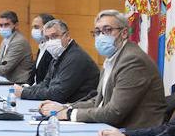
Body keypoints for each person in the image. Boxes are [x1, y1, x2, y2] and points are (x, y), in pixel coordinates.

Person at [38, 9, 166, 128]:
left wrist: (68, 114)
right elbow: (100, 100)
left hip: (135, 132)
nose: (101, 36)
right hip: (113, 127)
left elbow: (114, 113)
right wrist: (64, 107)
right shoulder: (112, 58)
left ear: (124, 33)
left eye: (108, 30)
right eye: (98, 32)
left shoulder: (132, 60)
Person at [13, 18, 100, 103]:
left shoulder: (76, 58)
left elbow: (57, 94)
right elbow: (46, 83)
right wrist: (24, 89)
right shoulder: (59, 54)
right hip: (62, 105)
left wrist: (24, 93)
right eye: (47, 38)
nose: (50, 41)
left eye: (54, 36)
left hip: (77, 109)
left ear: (67, 36)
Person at [0, 10, 34, 84]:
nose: (3, 28)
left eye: (6, 24)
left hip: (20, 83)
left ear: (16, 25)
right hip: (8, 81)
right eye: (0, 25)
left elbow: (3, 69)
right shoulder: (6, 40)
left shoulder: (18, 42)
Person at [29, 13, 57, 84]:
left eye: (36, 27)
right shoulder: (42, 45)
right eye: (33, 27)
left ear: (48, 28)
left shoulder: (53, 50)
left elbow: (47, 80)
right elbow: (35, 74)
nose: (33, 30)